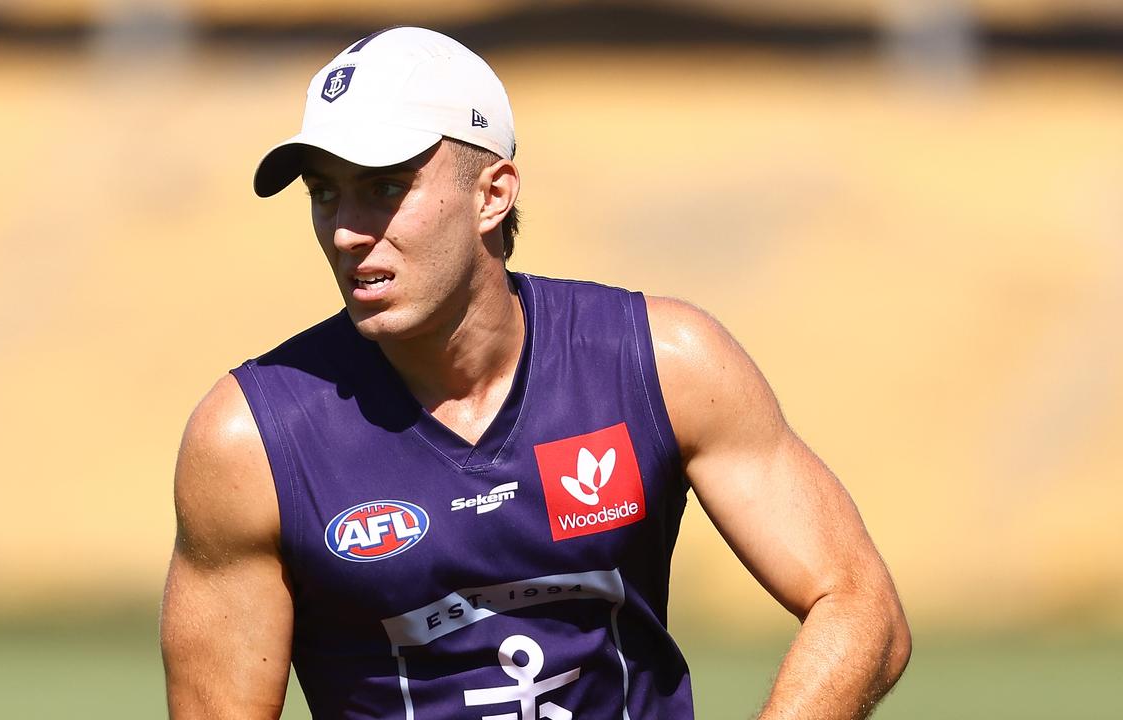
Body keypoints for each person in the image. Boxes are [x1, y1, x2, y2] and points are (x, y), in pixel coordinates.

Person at [161, 26, 910, 720]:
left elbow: (857, 604)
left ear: (494, 194)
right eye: (324, 192)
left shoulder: (662, 363)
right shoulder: (250, 441)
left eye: (385, 186)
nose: (348, 230)